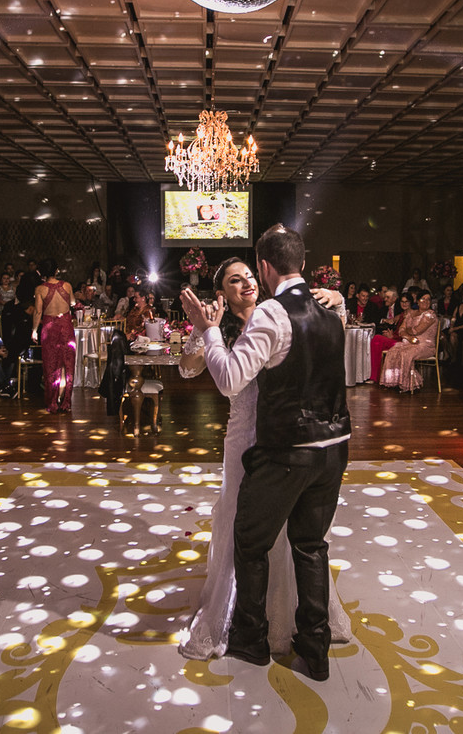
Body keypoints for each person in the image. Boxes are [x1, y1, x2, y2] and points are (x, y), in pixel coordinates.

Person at [181, 224, 351, 682]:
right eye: (233, 280)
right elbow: (191, 367)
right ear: (222, 291)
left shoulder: (279, 313)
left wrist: (211, 334)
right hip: (309, 445)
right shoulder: (315, 309)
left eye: (248, 275)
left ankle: (252, 637)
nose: (246, 284)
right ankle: (310, 646)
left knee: (255, 541)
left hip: (283, 448)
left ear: (264, 269)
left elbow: (233, 377)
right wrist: (206, 332)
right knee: (306, 544)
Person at [32, 258, 75, 413]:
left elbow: (37, 312)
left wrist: (34, 330)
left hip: (49, 327)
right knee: (67, 363)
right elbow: (72, 303)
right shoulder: (67, 285)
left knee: (51, 364)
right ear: (56, 270)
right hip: (65, 325)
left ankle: (53, 402)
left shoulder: (40, 289)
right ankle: (66, 401)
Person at [380, 291, 439, 392]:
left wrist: (407, 332)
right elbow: (400, 330)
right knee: (393, 351)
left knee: (405, 353)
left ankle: (408, 384)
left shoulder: (430, 315)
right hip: (410, 342)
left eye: (428, 299)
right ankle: (394, 382)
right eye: (423, 299)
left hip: (425, 345)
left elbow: (417, 330)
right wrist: (409, 337)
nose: (426, 301)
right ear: (418, 301)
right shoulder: (412, 313)